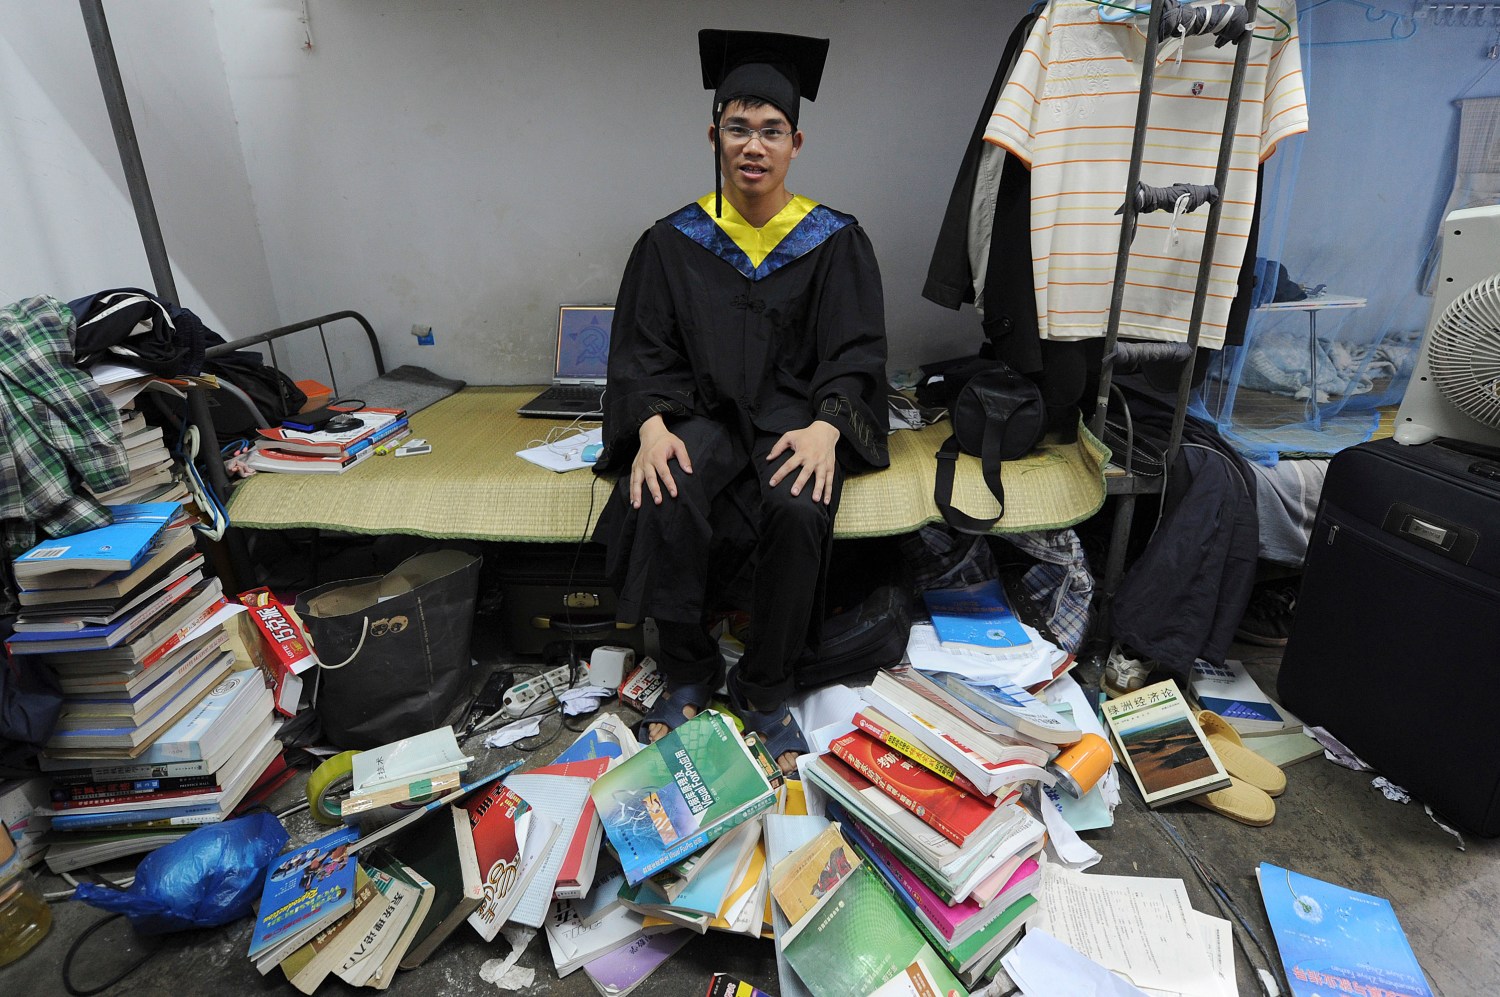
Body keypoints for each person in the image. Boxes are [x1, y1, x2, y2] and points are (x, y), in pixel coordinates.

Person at [592, 28, 889, 774]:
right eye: (737, 128)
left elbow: (856, 353)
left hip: (795, 418)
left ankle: (764, 689)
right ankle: (688, 670)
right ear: (714, 136)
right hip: (699, 413)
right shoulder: (672, 242)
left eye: (771, 131)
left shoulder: (834, 241)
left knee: (798, 504)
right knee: (667, 483)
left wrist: (828, 429)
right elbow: (640, 352)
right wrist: (650, 427)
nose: (753, 146)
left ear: (795, 143)